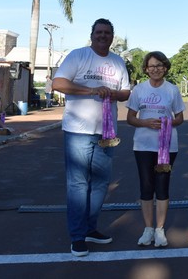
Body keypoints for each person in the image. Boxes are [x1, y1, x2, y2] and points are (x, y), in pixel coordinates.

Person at [52, 18, 131, 257]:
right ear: (92, 34)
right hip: (78, 131)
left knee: (100, 184)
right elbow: (58, 82)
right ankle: (77, 237)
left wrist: (110, 92)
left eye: (107, 33)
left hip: (106, 133)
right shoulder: (78, 56)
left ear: (112, 36)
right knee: (78, 184)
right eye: (99, 32)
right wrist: (92, 90)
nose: (102, 36)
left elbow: (126, 92)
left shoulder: (118, 62)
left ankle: (89, 228)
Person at [126, 51, 184, 248]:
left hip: (167, 145)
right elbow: (130, 118)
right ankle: (148, 228)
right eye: (151, 66)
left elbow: (180, 118)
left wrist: (168, 122)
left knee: (162, 185)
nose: (156, 69)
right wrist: (145, 122)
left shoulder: (172, 90)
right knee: (146, 185)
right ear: (146, 69)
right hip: (143, 145)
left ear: (165, 67)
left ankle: (159, 230)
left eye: (159, 65)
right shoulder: (139, 90)